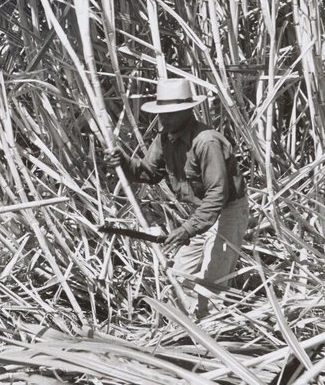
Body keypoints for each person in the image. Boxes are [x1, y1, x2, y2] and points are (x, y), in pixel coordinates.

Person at [103, 77, 248, 318]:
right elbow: (149, 173)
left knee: (214, 282)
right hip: (202, 211)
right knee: (181, 274)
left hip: (228, 210)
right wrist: (124, 161)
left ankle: (213, 332)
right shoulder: (165, 138)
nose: (164, 118)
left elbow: (218, 194)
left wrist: (187, 230)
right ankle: (187, 325)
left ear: (188, 111)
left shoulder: (206, 142)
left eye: (171, 113)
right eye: (162, 113)